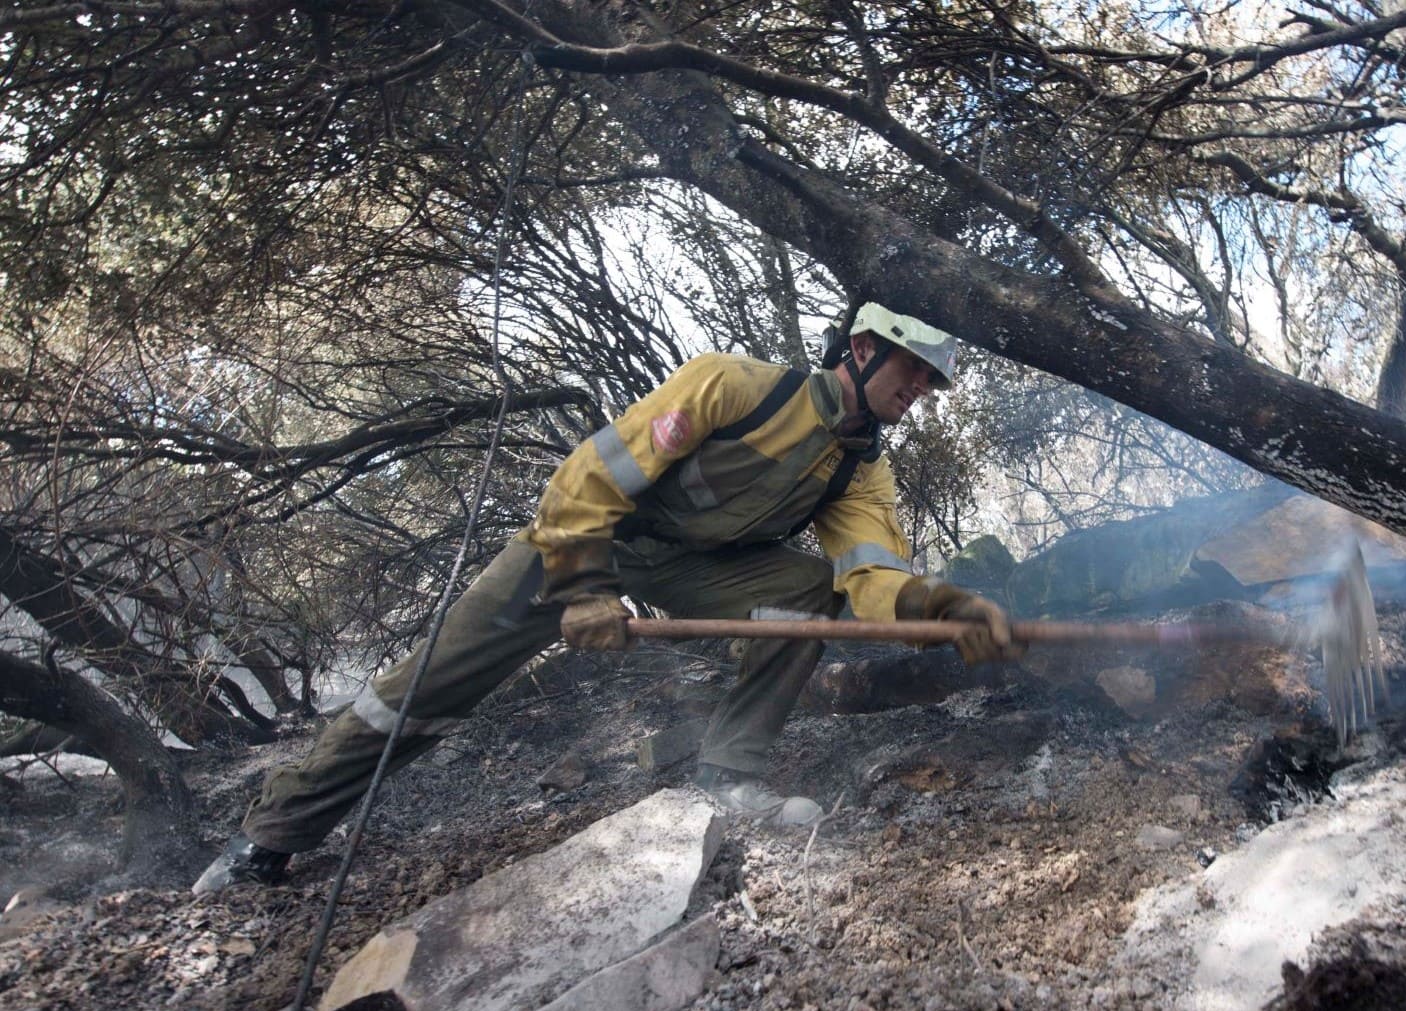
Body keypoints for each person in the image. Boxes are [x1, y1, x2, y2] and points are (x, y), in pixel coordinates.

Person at [193, 302, 1023, 894]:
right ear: (863, 349)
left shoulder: (861, 466)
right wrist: (583, 588)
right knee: (428, 686)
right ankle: (269, 840)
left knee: (807, 593)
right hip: (586, 537)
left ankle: (728, 776)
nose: (918, 386)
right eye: (911, 366)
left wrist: (938, 611)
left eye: (928, 378)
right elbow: (589, 479)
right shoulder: (732, 384)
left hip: (694, 569)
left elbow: (868, 577)